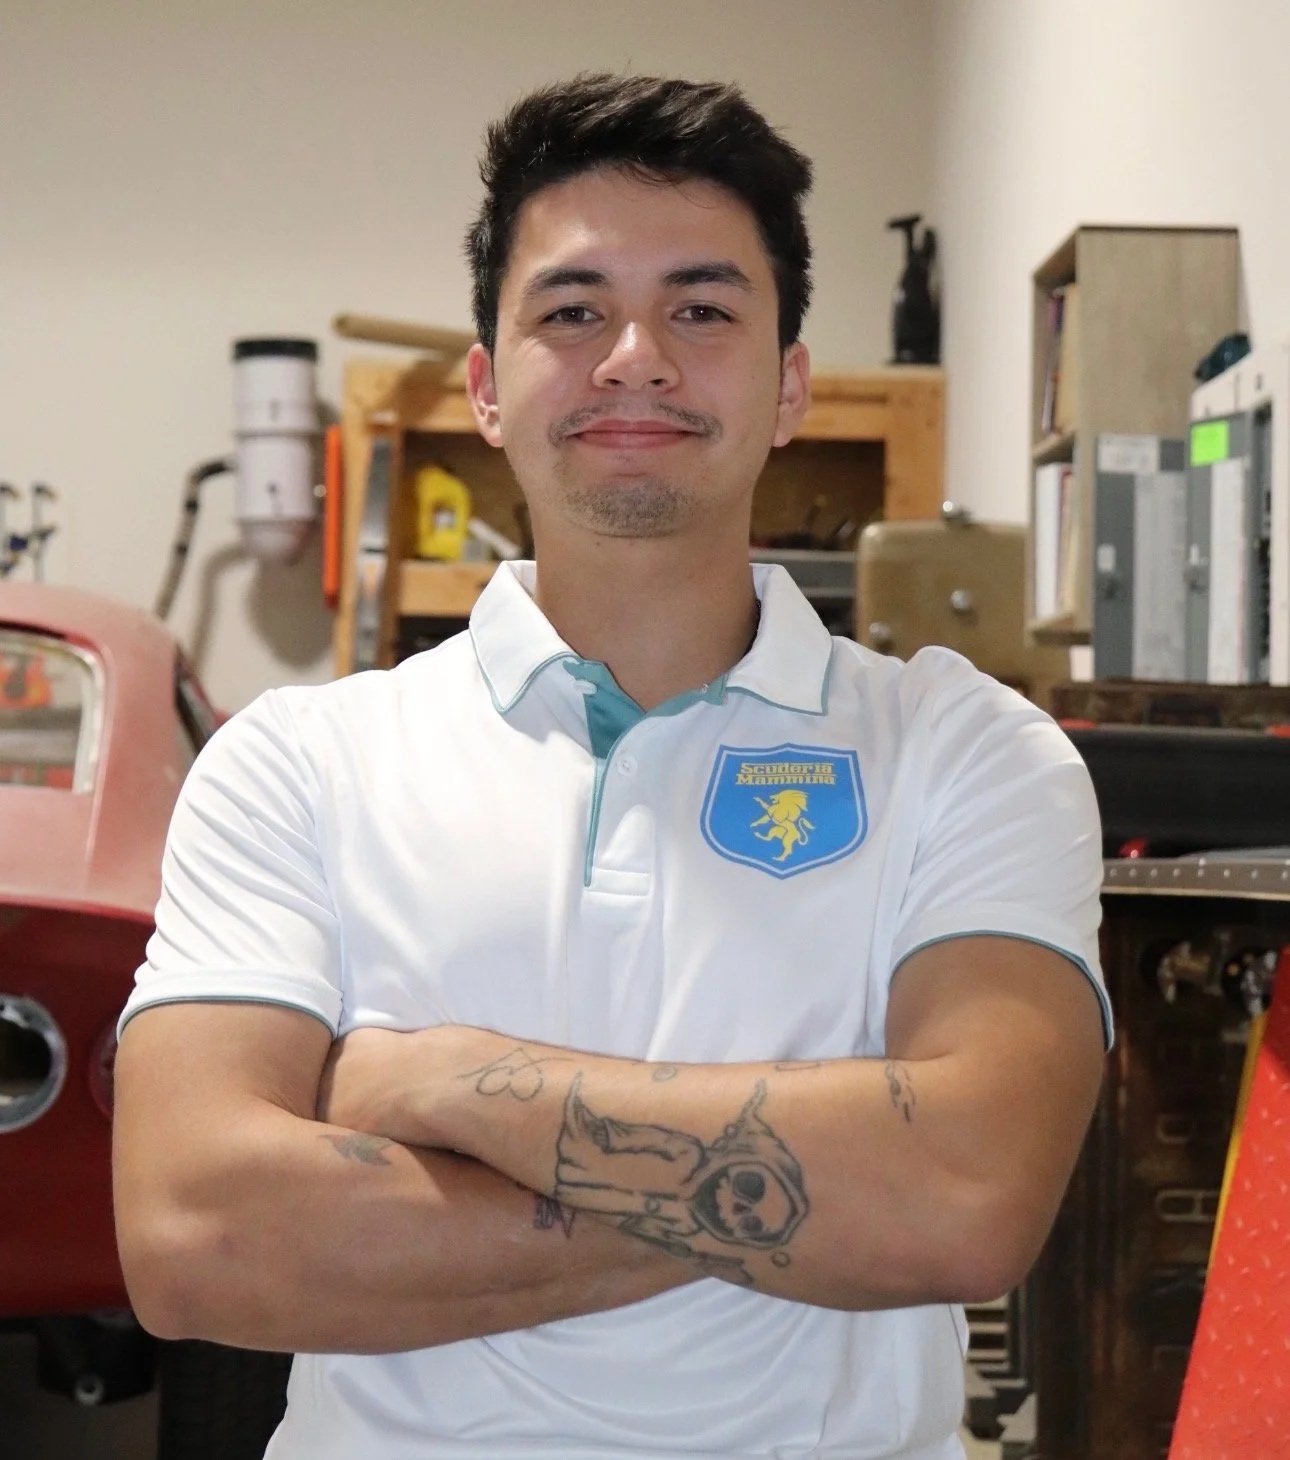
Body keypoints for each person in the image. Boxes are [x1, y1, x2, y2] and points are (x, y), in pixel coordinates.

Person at [113, 73, 1110, 1460]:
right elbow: (195, 1237)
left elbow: (962, 1199)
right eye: (571, 311)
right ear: (486, 387)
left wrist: (451, 1083)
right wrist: (811, 1198)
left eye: (702, 309)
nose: (634, 355)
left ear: (789, 388)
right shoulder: (297, 765)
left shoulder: (966, 752)